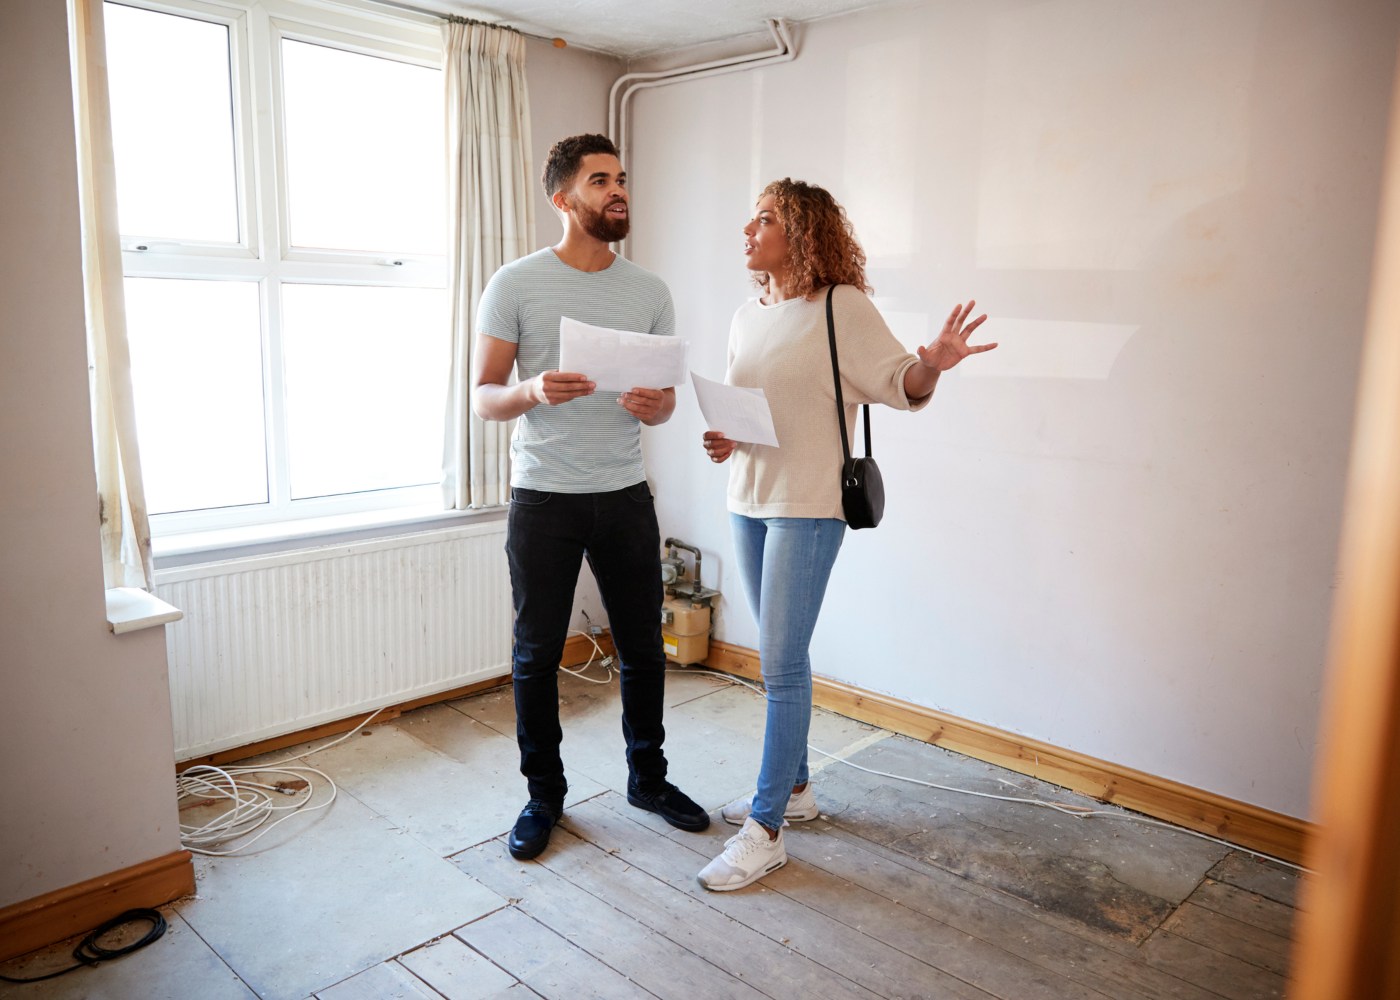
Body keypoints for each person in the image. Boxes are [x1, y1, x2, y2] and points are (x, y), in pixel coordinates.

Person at [696, 179, 997, 891]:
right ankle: (797, 792)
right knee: (778, 658)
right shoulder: (746, 315)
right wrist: (724, 439)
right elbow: (759, 410)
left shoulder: (841, 307)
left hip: (810, 505)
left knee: (781, 663)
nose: (749, 228)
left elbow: (901, 382)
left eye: (765, 219)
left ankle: (765, 829)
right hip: (747, 497)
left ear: (800, 234)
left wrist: (934, 363)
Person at [472, 133, 709, 861]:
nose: (618, 190)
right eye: (600, 179)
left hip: (626, 494)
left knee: (643, 648)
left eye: (622, 178)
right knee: (536, 654)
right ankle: (544, 796)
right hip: (544, 498)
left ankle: (649, 779)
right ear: (563, 199)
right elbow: (484, 398)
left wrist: (654, 407)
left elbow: (667, 402)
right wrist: (533, 389)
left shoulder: (649, 292)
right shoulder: (514, 283)